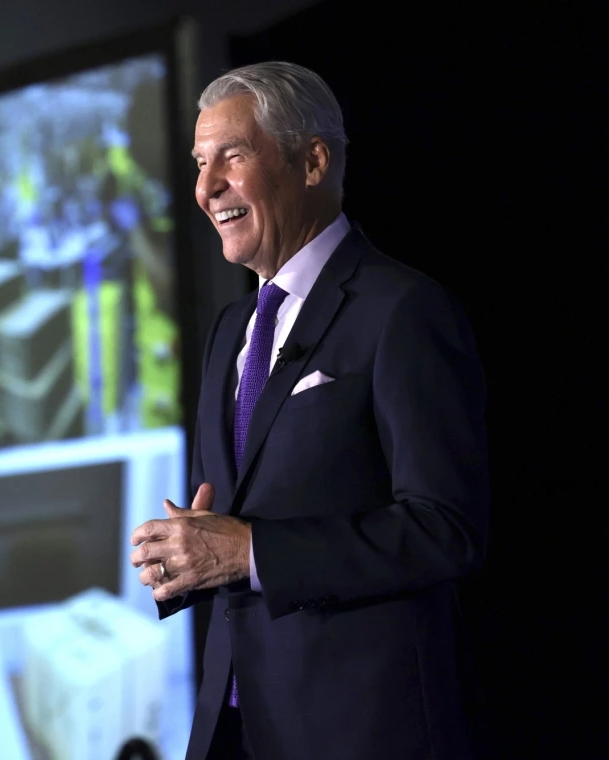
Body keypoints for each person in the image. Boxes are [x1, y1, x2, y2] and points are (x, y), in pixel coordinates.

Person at [129, 62, 488, 759]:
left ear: (313, 161)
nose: (206, 188)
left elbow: (446, 529)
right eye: (200, 163)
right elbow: (234, 519)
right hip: (234, 725)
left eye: (232, 156)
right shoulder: (229, 333)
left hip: (359, 729)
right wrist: (190, 553)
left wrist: (249, 551)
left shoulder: (402, 310)